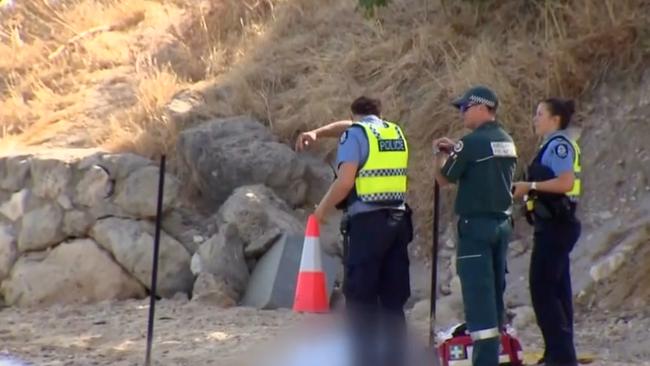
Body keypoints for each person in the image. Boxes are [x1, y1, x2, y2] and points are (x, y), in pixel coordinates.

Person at [295, 96, 413, 366]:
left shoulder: (354, 136)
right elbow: (350, 127)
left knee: (361, 299)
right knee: (393, 301)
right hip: (398, 222)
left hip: (368, 225)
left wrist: (321, 210)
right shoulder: (393, 131)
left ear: (354, 116)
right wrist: (320, 132)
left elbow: (345, 181)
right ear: (379, 114)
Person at [433, 85, 518, 366]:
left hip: (475, 229)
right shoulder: (507, 140)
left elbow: (444, 178)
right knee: (495, 297)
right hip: (502, 225)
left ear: (482, 107)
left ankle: (485, 361)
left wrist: (441, 154)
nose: (461, 113)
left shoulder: (470, 144)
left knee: (479, 301)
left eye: (464, 107)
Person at [512, 98, 582, 366]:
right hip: (552, 225)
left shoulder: (560, 146)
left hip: (557, 227)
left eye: (540, 114)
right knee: (558, 289)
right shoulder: (549, 146)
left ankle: (561, 355)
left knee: (542, 289)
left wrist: (529, 185)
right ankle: (560, 353)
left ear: (555, 119)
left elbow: (565, 182)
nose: (535, 118)